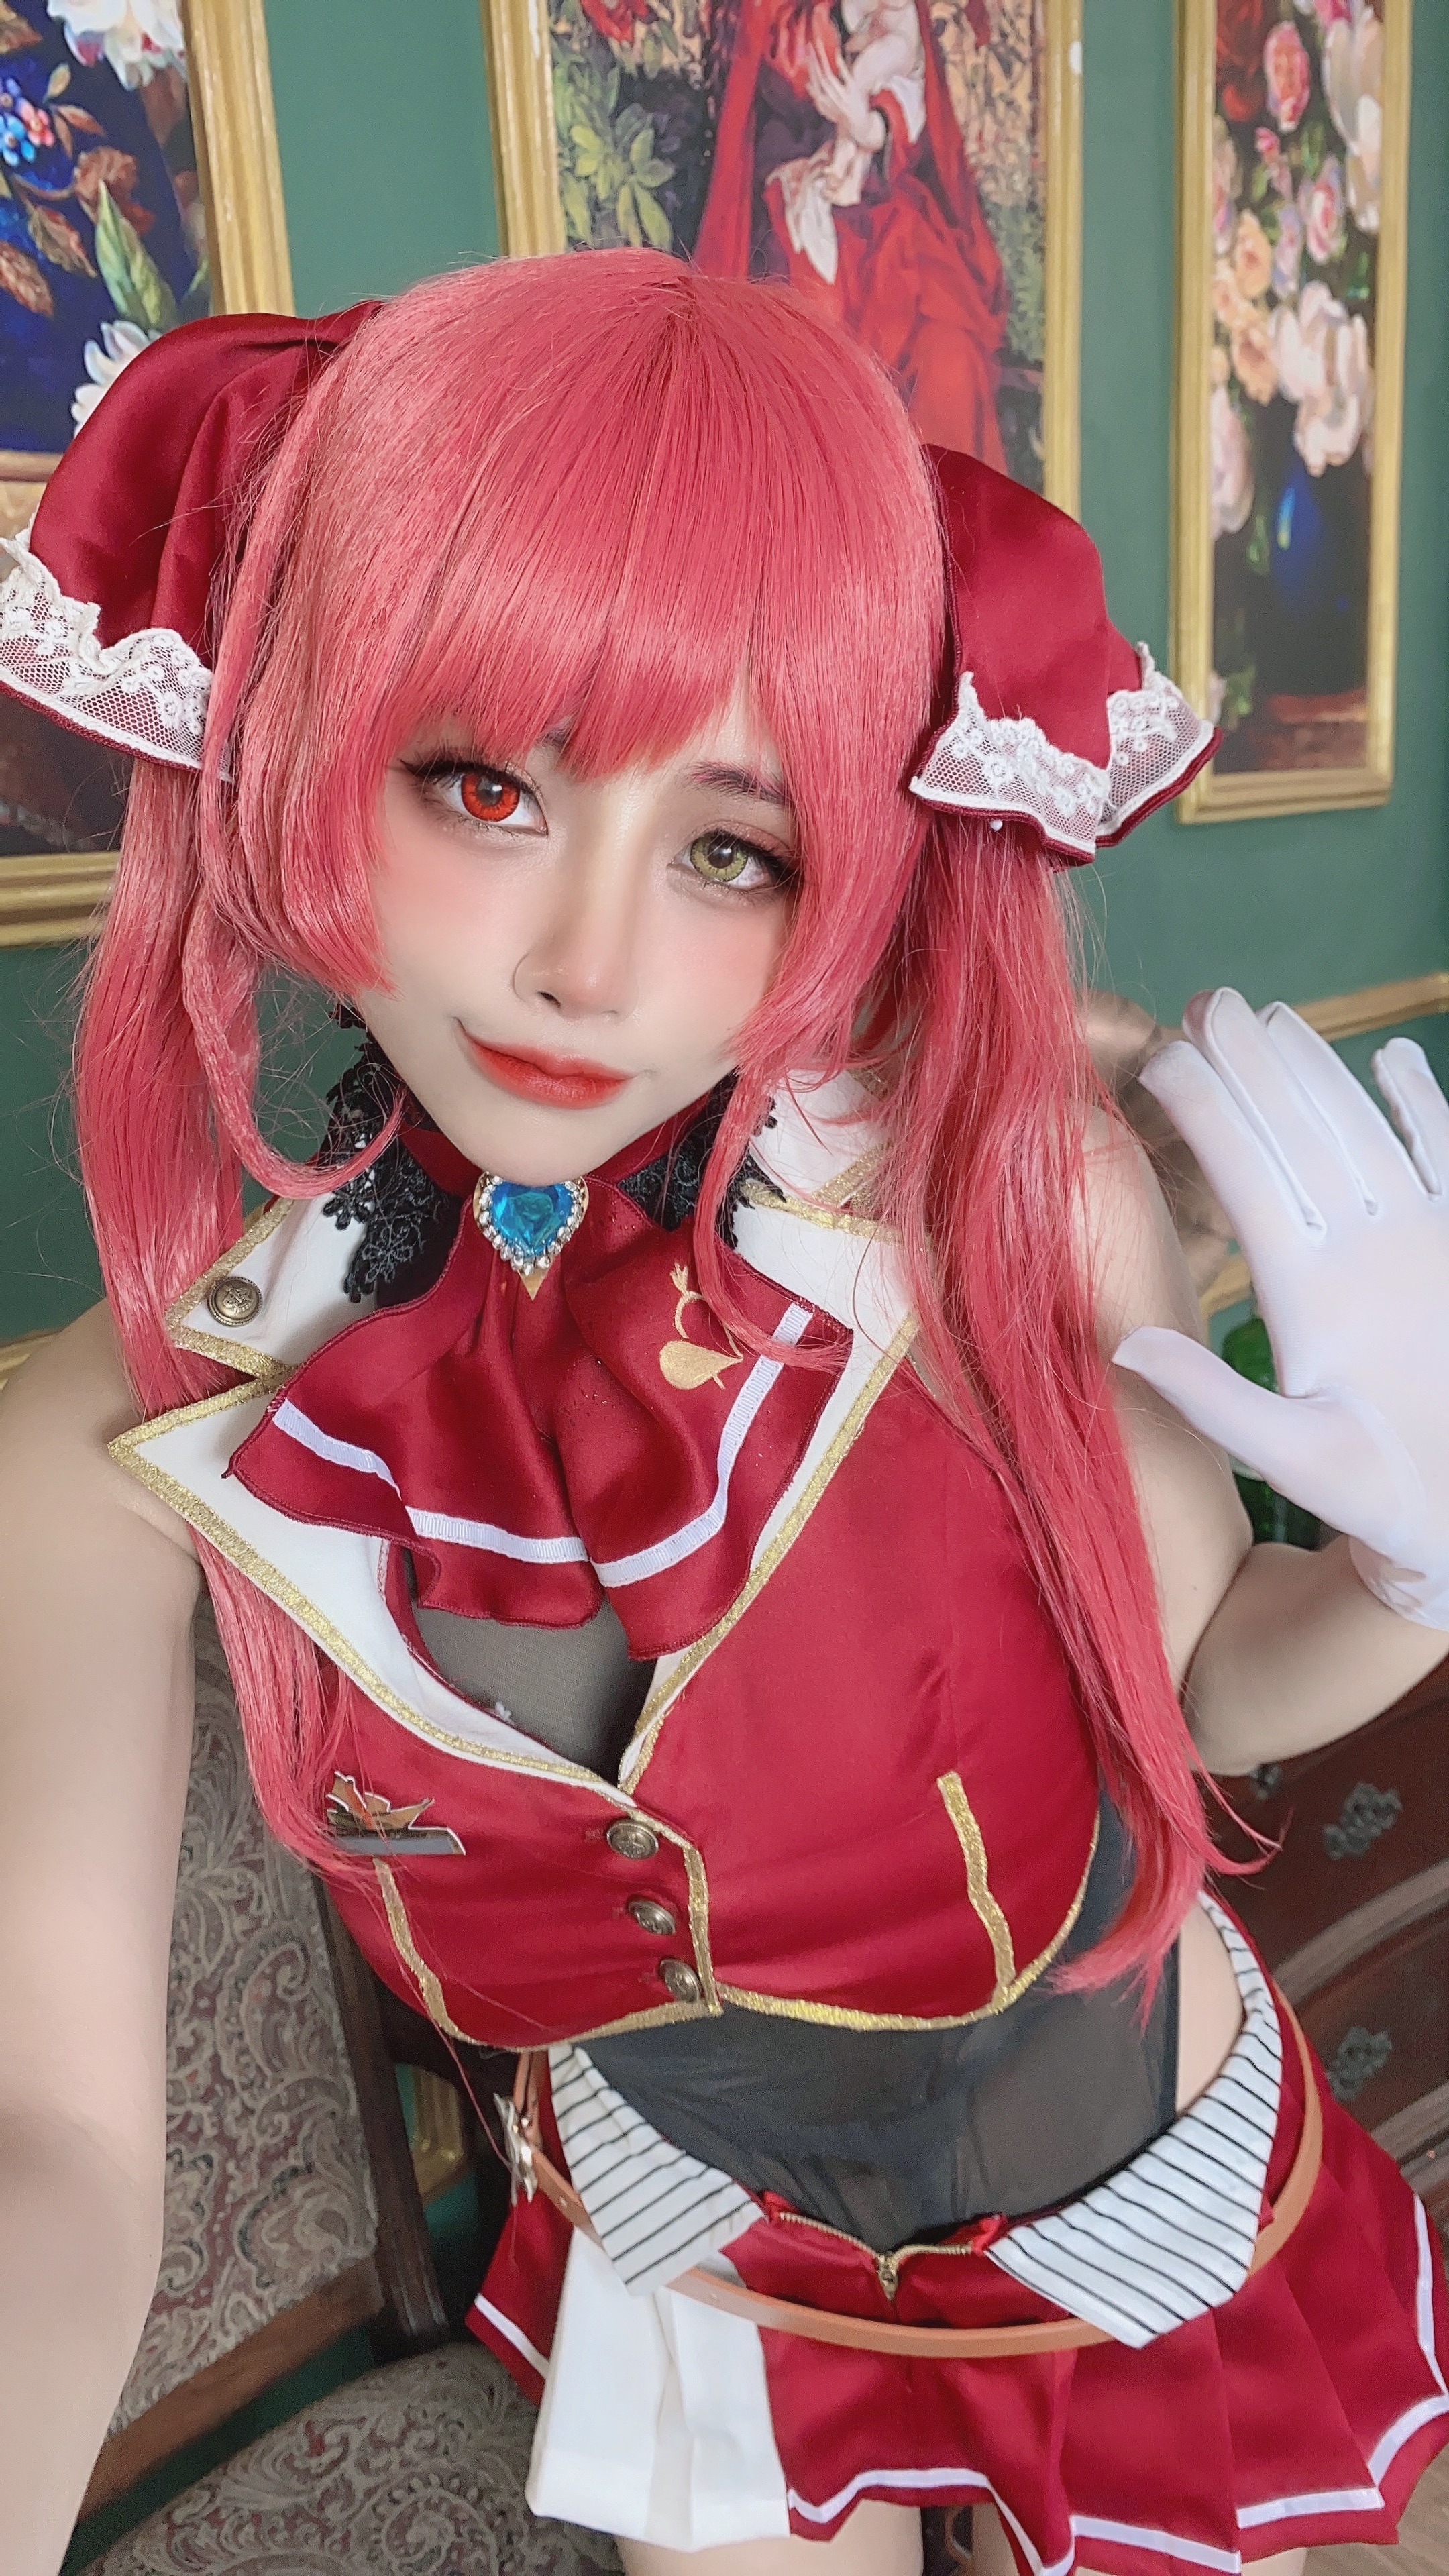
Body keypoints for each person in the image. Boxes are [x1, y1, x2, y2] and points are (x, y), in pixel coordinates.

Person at [1, 251, 1448, 2576]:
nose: (590, 961)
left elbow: (1202, 1701)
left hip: (1128, 2161)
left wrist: (1414, 1565)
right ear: (308, 742)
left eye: (731, 847)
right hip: (703, 2230)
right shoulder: (149, 1415)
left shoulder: (1006, 1201)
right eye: (485, 783)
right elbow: (52, 2140)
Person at [693, 0, 1008, 459]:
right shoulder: (783, 18)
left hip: (892, 210)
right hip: (801, 191)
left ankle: (935, 497)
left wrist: (870, 127)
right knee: (818, 335)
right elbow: (783, 85)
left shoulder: (900, 18)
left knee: (949, 351)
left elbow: (917, 114)